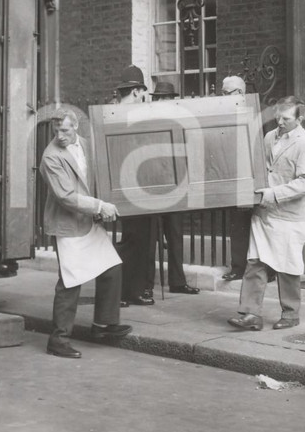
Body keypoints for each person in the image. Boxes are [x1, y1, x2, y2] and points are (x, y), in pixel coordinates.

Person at [39, 108, 132, 358]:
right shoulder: (50, 157)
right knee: (71, 282)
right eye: (56, 131)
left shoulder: (88, 145)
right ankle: (58, 340)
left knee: (111, 267)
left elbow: (97, 177)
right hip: (67, 225)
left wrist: (103, 204)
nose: (60, 136)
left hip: (88, 222)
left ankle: (103, 325)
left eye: (65, 130)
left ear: (76, 127)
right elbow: (66, 197)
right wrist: (100, 206)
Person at [228, 96, 305, 331]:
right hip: (264, 212)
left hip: (288, 215)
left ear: (299, 119)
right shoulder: (269, 137)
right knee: (255, 262)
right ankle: (251, 314)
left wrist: (273, 193)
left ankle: (290, 314)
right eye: (277, 116)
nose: (279, 122)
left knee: (287, 267)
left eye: (286, 119)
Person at [112, 65, 157, 306]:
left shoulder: (125, 112)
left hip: (141, 186)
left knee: (141, 240)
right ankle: (117, 293)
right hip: (130, 186)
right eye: (143, 92)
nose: (144, 97)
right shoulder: (123, 114)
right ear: (138, 91)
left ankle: (133, 291)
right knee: (132, 240)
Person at [150, 81, 200, 295]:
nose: (166, 102)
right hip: (152, 185)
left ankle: (177, 282)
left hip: (175, 184)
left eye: (169, 98)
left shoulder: (180, 121)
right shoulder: (147, 121)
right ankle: (145, 285)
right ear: (156, 100)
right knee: (150, 236)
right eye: (162, 98)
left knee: (176, 235)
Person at [220, 75, 252, 284]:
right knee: (238, 223)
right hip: (233, 175)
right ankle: (239, 267)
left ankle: (266, 269)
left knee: (259, 226)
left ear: (240, 93)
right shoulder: (224, 114)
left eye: (225, 93)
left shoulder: (254, 111)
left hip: (252, 176)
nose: (221, 97)